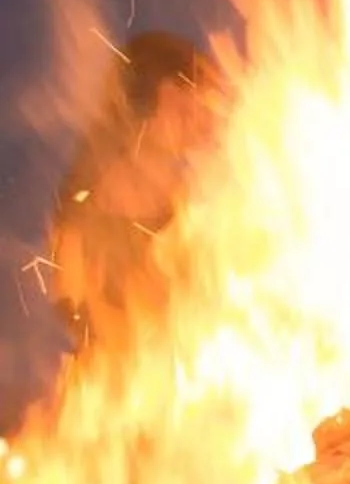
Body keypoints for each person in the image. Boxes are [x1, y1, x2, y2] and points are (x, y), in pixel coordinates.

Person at [52, 30, 223, 347]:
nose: (206, 114)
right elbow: (76, 309)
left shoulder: (187, 201)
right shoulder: (84, 210)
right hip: (133, 379)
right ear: (162, 96)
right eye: (194, 98)